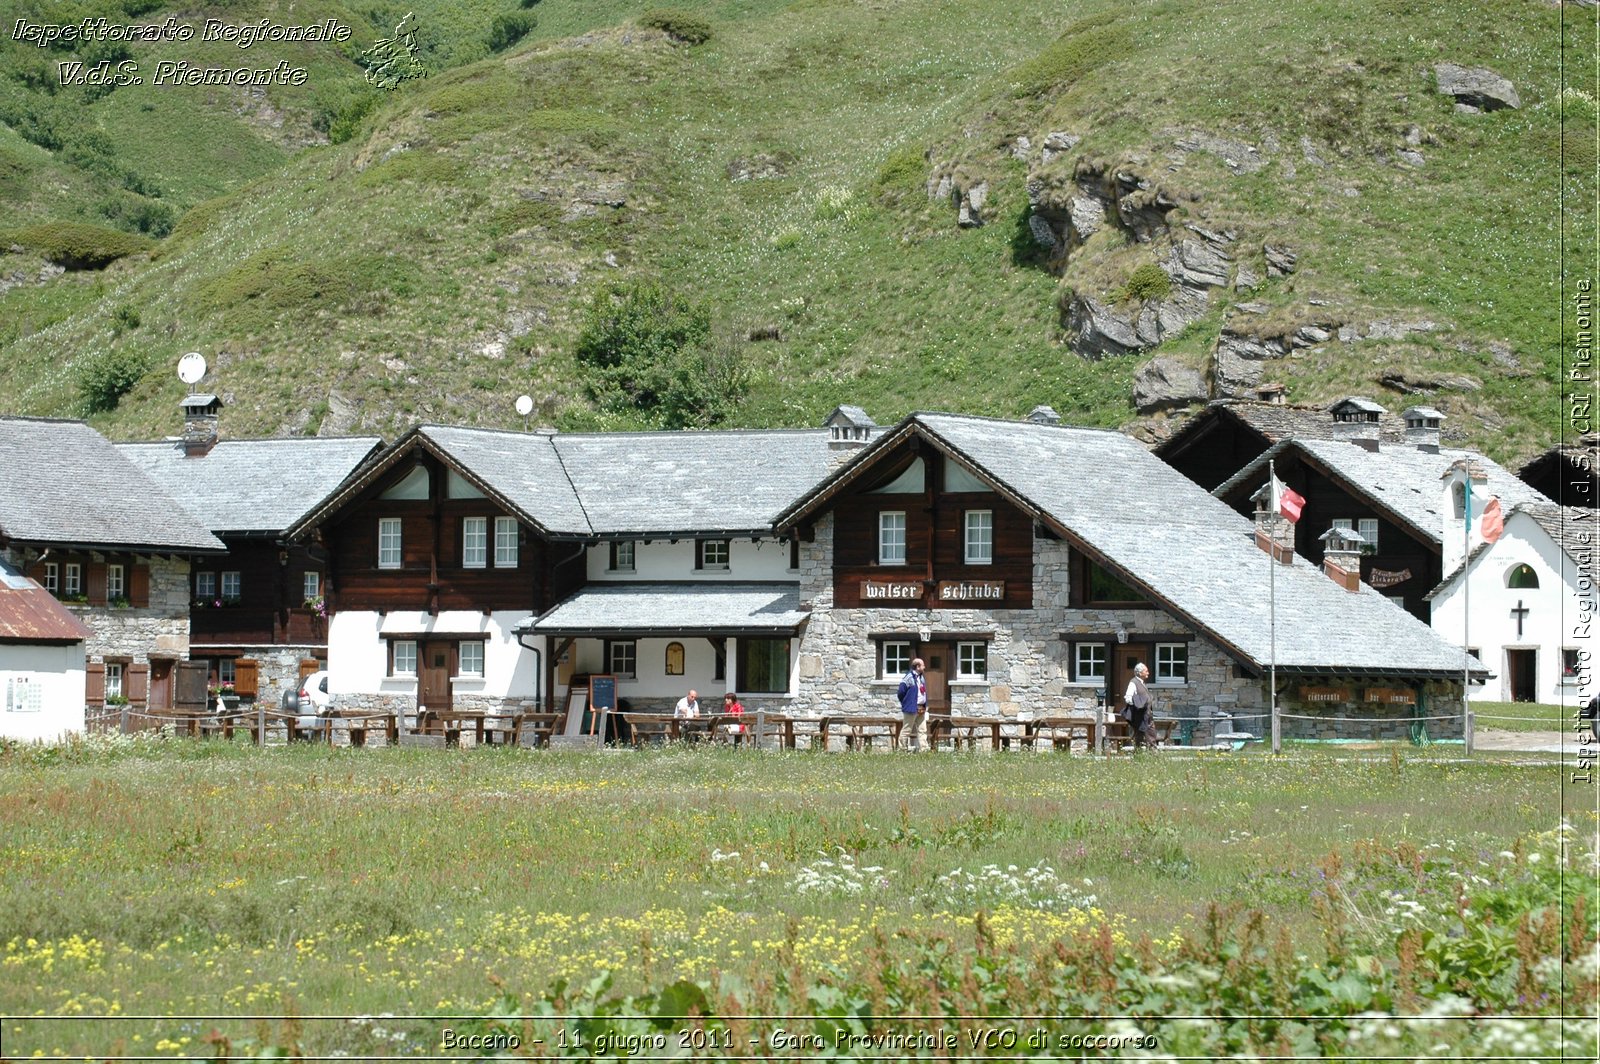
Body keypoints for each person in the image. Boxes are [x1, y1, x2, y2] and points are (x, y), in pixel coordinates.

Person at [1123, 663, 1158, 749]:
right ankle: (1142, 754)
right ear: (1140, 672)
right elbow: (1128, 698)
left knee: (1150, 734)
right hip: (1140, 716)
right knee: (1141, 735)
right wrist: (1138, 706)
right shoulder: (1133, 683)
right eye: (1146, 671)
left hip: (1147, 715)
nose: (1148, 673)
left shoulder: (1142, 683)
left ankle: (1149, 753)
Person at [896, 658, 927, 751]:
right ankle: (902, 749)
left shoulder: (921, 677)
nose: (924, 667)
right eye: (923, 665)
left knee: (922, 730)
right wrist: (907, 703)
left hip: (921, 708)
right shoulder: (908, 677)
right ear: (917, 667)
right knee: (907, 730)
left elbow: (923, 692)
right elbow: (900, 692)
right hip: (911, 708)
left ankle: (924, 750)